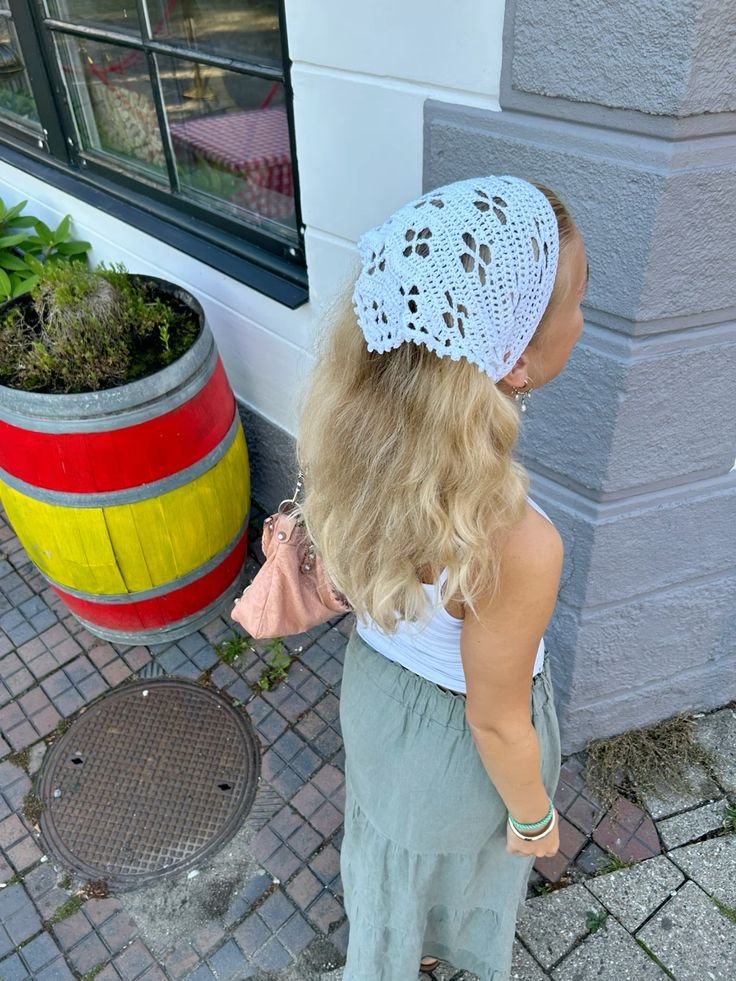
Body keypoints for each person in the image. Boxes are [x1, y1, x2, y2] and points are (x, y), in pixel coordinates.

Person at [297, 175, 588, 981]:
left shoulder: (354, 438)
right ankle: (427, 949)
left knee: (390, 839)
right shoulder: (519, 542)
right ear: (518, 360)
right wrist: (535, 816)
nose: (584, 320)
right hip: (456, 744)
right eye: (576, 303)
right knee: (456, 848)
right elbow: (496, 722)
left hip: (377, 701)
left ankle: (390, 947)